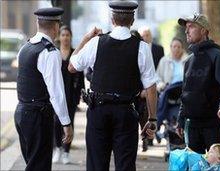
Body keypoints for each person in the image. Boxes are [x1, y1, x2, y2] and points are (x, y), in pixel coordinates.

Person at [68, 2, 158, 170]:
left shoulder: (96, 43)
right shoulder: (142, 47)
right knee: (125, 165)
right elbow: (151, 87)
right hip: (126, 112)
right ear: (132, 21)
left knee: (96, 164)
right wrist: (152, 118)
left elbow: (72, 66)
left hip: (98, 111)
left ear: (112, 20)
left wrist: (86, 38)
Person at [14, 7, 73, 171]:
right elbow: (56, 93)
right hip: (37, 116)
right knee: (39, 166)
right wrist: (66, 123)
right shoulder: (50, 52)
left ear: (37, 23)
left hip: (21, 112)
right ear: (56, 27)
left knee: (32, 164)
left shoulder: (25, 48)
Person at [176, 13, 220, 154]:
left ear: (204, 30)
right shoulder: (188, 61)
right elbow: (185, 93)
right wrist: (180, 119)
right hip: (191, 126)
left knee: (217, 167)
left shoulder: (217, 56)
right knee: (194, 167)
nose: (186, 31)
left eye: (191, 27)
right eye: (186, 28)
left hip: (213, 125)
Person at [52, 25, 84, 164]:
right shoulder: (55, 53)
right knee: (55, 123)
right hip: (56, 95)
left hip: (71, 95)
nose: (65, 37)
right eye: (63, 35)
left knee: (69, 123)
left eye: (67, 35)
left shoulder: (75, 53)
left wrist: (80, 94)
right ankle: (57, 148)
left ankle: (66, 152)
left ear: (71, 37)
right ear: (59, 37)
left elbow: (81, 74)